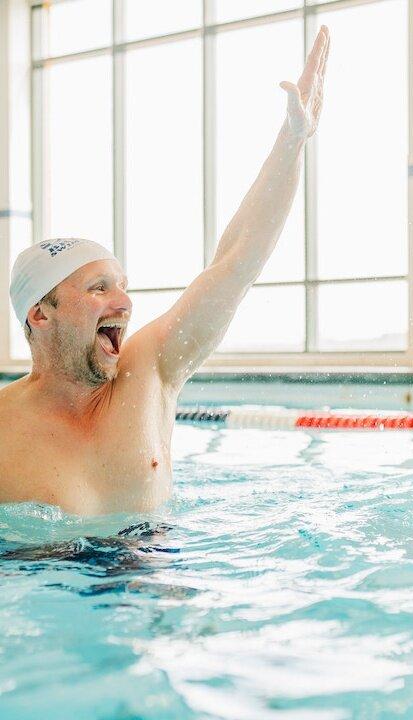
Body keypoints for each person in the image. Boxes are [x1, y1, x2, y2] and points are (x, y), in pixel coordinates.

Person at [0, 27, 330, 516]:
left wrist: (291, 142)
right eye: (97, 288)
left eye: (122, 286)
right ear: (41, 314)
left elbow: (234, 265)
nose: (124, 302)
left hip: (151, 575)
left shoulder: (148, 372)